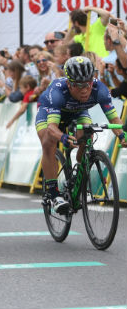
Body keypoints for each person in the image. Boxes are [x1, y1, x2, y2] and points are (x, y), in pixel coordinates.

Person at [36, 56, 127, 214]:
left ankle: (80, 171)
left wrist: (122, 135)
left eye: (88, 84)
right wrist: (63, 137)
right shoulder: (58, 91)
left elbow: (114, 119)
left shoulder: (100, 90)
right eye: (79, 85)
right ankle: (54, 194)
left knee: (87, 135)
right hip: (50, 110)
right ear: (69, 83)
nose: (85, 89)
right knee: (48, 141)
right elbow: (52, 127)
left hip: (78, 111)